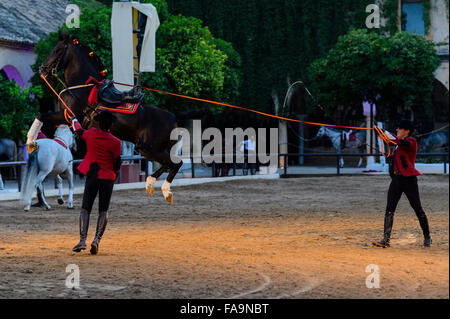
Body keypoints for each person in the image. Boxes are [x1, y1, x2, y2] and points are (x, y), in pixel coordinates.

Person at [373, 120, 431, 248]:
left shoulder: (411, 142)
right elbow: (393, 145)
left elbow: (400, 141)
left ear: (406, 131)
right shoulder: (398, 144)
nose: (398, 130)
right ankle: (386, 239)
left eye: (400, 128)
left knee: (418, 209)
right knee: (389, 209)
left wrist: (384, 132)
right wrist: (381, 134)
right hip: (397, 180)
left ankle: (427, 238)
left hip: (409, 180)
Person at [71, 111, 122, 255]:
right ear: (111, 125)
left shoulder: (92, 134)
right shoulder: (116, 142)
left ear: (98, 123)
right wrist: (114, 175)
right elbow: (117, 163)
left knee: (85, 208)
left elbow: (79, 131)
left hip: (93, 175)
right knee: (103, 210)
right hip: (107, 177)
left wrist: (74, 119)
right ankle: (96, 240)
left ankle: (82, 240)